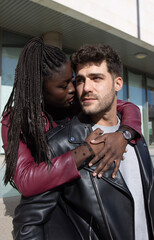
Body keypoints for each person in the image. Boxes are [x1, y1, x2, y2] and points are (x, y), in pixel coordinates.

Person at [12, 43, 154, 240]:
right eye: (80, 80)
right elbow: (27, 224)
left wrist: (126, 134)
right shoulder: (56, 144)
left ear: (118, 83)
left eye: (96, 78)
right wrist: (83, 151)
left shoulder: (136, 137)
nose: (85, 88)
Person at [1, 37, 142, 198]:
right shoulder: (14, 121)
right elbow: (26, 180)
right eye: (63, 86)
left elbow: (127, 107)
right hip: (46, 197)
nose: (73, 89)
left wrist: (124, 134)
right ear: (39, 90)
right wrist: (86, 150)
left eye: (72, 80)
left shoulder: (75, 97)